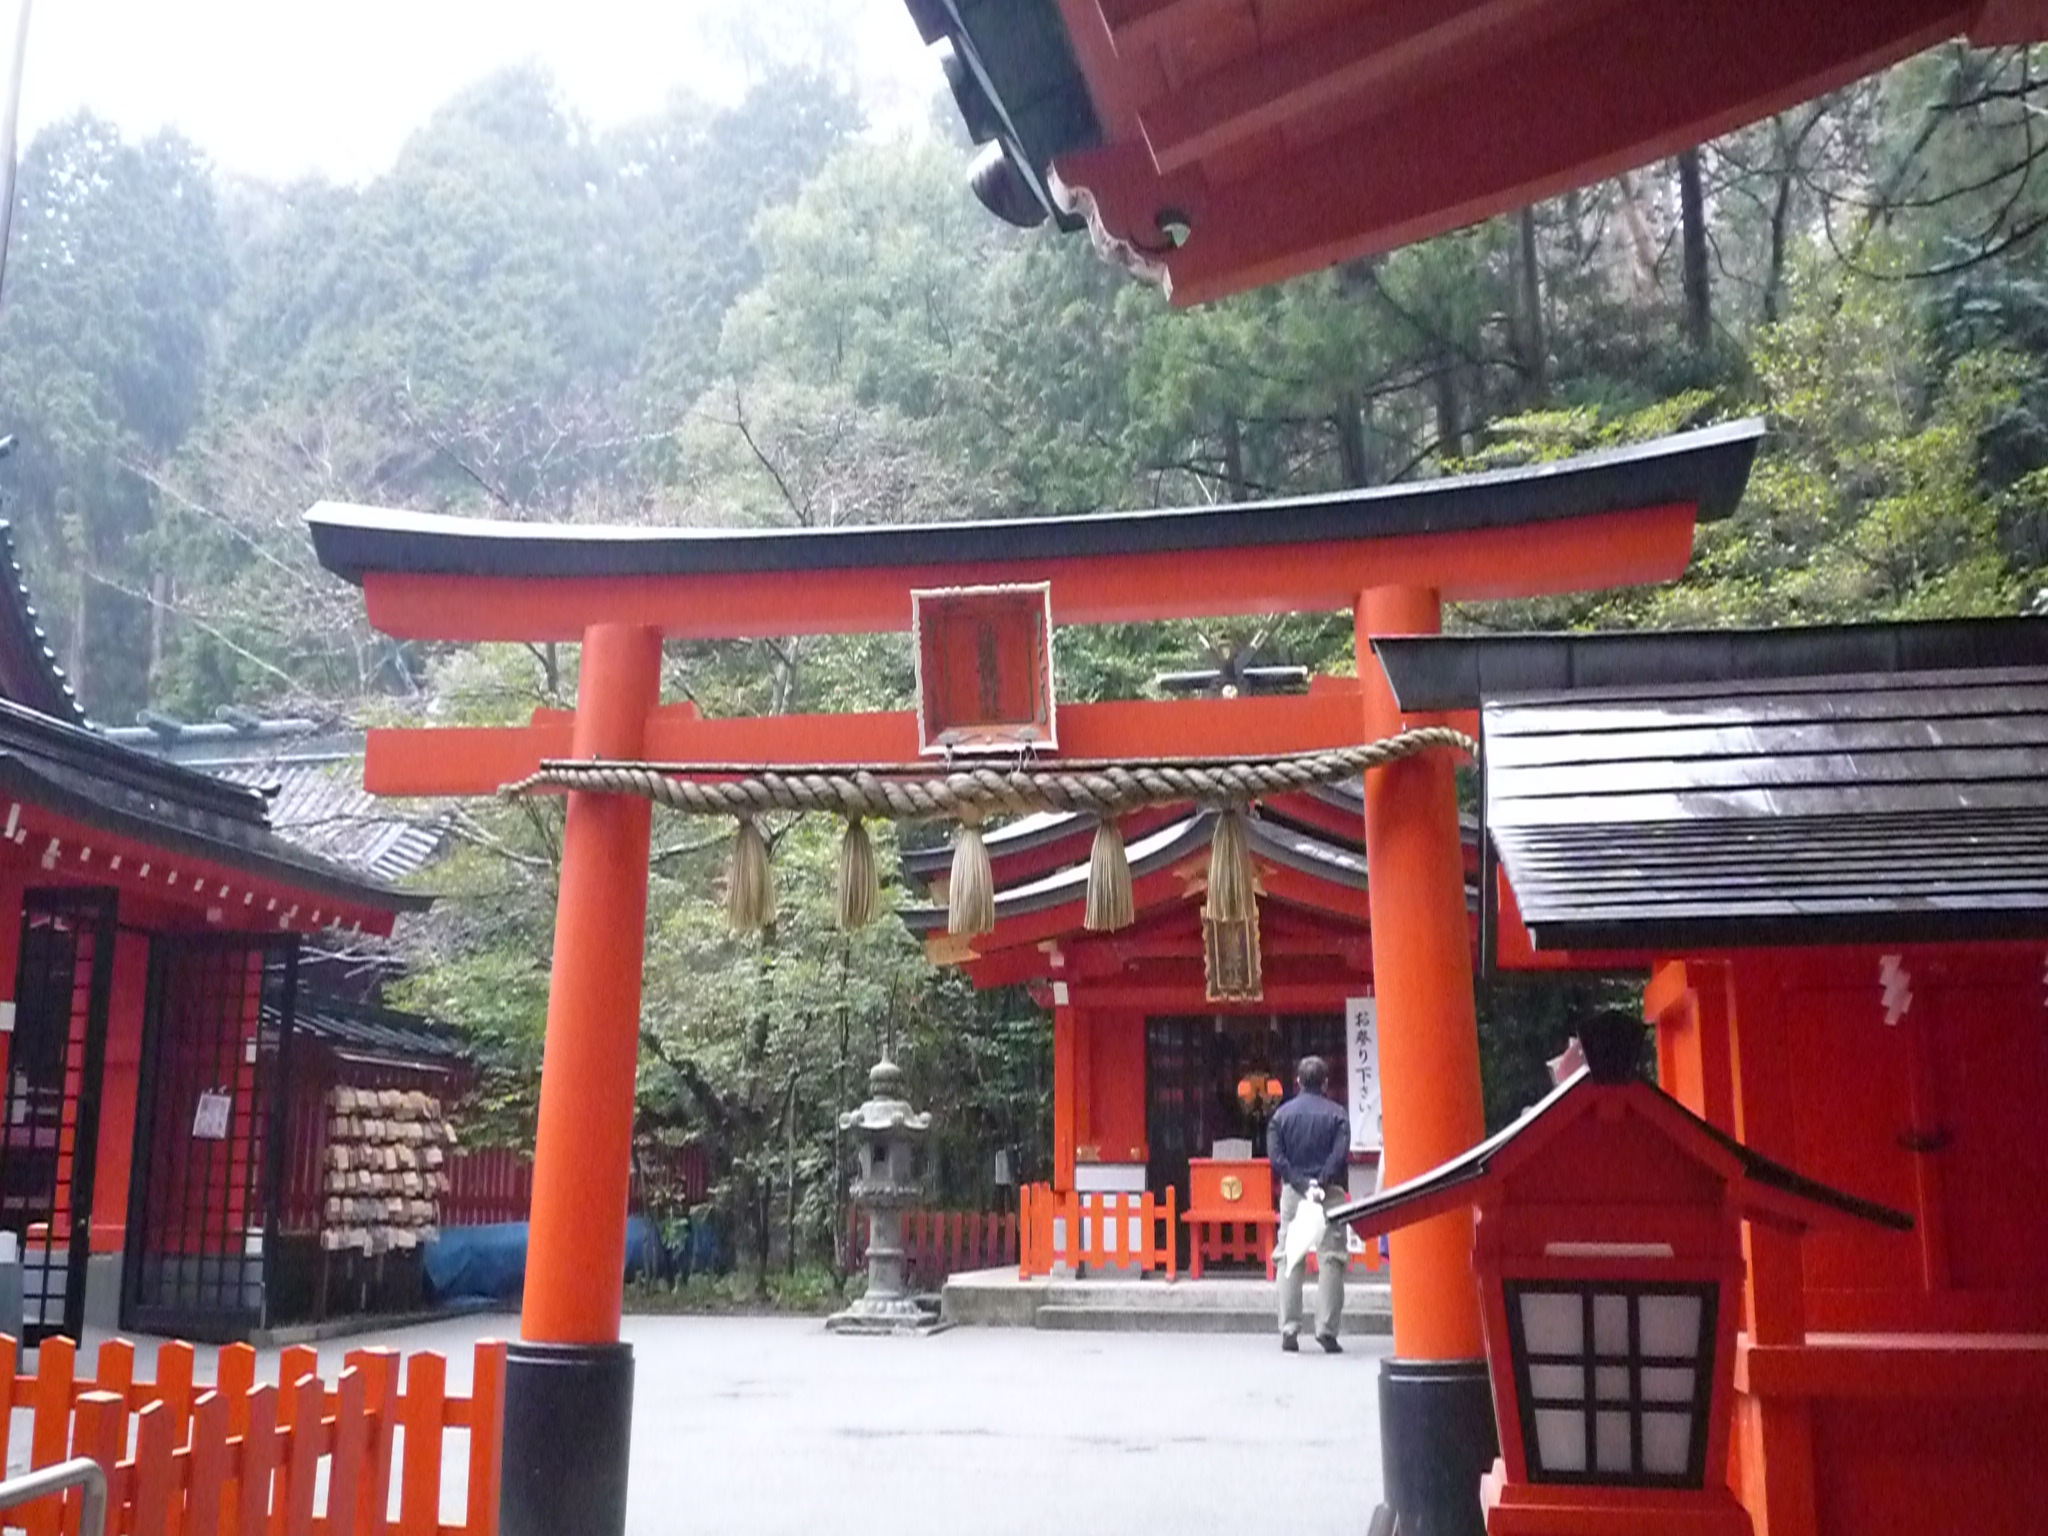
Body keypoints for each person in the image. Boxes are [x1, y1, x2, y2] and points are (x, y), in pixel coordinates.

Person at [1267, 1054, 1351, 1353]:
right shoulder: (1338, 1115)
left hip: (1294, 1191)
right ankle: (1327, 1329)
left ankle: (1289, 1327)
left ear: (1298, 1082)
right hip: (1330, 1193)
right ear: (1326, 1083)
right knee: (1332, 1258)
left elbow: (1276, 1157)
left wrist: (1302, 1183)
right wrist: (1322, 1181)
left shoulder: (1282, 1116)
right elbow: (1340, 1154)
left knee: (1290, 1256)